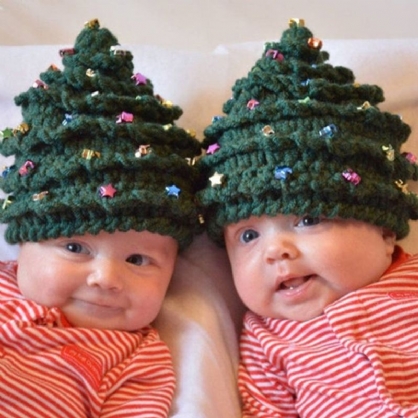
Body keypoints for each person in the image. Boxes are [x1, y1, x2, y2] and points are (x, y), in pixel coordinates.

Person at [197, 18, 418, 417]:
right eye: (248, 236)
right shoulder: (266, 340)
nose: (275, 250)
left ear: (385, 231)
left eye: (309, 219)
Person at [0, 19, 202, 417]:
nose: (107, 279)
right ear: (23, 244)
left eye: (138, 260)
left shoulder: (138, 358)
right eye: (75, 247)